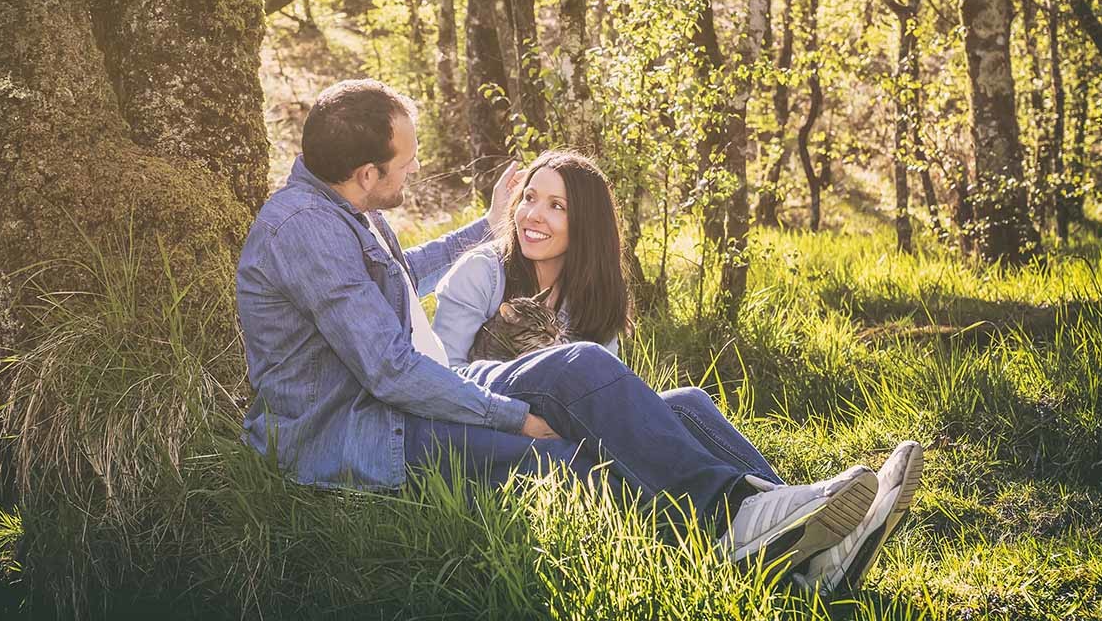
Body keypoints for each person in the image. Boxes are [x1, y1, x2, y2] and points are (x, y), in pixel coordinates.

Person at [236, 79, 900, 586]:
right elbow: (389, 373)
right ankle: (760, 541)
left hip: (404, 395)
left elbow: (401, 278)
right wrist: (512, 418)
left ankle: (796, 528)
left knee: (644, 390)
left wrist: (484, 224)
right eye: (406, 161)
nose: (414, 169)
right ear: (366, 174)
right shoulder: (307, 231)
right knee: (572, 462)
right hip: (361, 430)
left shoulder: (347, 210)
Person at [431, 150, 923, 595]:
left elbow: (610, 405)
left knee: (687, 402)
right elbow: (441, 378)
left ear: (588, 224)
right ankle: (754, 515)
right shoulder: (484, 270)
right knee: (591, 373)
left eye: (557, 206)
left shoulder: (591, 300)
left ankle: (814, 540)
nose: (533, 215)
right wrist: (523, 419)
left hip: (563, 425)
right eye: (530, 198)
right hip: (494, 435)